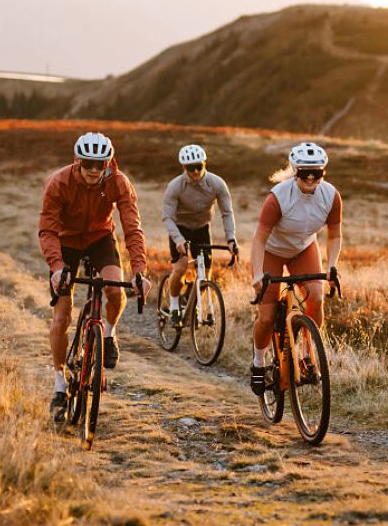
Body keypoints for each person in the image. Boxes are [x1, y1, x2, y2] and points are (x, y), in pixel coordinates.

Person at [39, 131, 147, 421]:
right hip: (66, 242)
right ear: (77, 161)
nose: (93, 170)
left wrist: (139, 271)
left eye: (100, 164)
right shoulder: (59, 182)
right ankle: (60, 384)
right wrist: (57, 267)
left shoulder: (119, 182)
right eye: (88, 163)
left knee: (115, 290)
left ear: (108, 163)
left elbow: (132, 228)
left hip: (100, 238)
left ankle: (108, 333)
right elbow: (47, 230)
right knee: (62, 318)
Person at [248, 141, 342, 394]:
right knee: (267, 316)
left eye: (317, 173)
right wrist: (258, 274)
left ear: (323, 172)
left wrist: (332, 268)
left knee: (317, 298)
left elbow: (334, 235)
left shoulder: (331, 196)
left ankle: (309, 353)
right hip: (272, 252)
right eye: (304, 172)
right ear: (294, 171)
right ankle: (258, 364)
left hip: (303, 249)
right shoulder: (278, 197)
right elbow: (259, 238)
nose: (310, 178)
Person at [162, 144, 239, 326]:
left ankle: (190, 299)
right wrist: (178, 239)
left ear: (205, 164)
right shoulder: (175, 186)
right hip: (179, 228)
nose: (196, 171)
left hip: (202, 228)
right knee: (180, 268)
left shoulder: (217, 183)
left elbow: (227, 213)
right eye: (190, 168)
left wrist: (231, 238)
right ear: (184, 168)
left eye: (199, 166)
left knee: (205, 275)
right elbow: (167, 217)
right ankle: (174, 305)